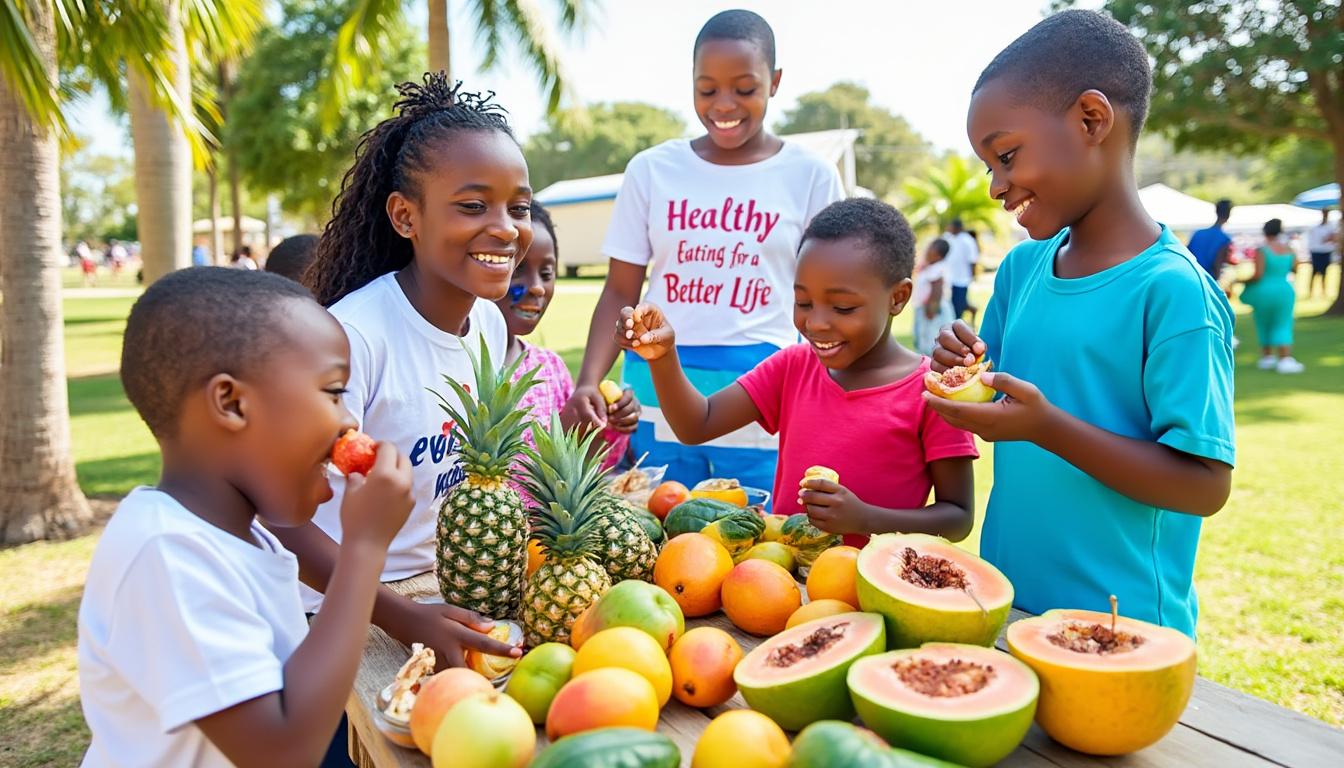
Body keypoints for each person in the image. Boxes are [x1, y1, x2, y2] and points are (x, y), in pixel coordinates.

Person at [929, 9, 1235, 638]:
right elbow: (999, 413)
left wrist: (1047, 427)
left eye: (1007, 156)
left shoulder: (1173, 293)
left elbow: (1204, 486)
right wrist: (960, 373)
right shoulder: (1021, 270)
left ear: (1092, 121)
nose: (995, 186)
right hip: (1010, 604)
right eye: (990, 165)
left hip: (1121, 626)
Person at [78, 267, 414, 766]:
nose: (349, 420)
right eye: (333, 391)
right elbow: (283, 750)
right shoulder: (166, 554)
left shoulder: (248, 539)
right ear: (232, 403)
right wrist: (363, 551)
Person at [272, 75, 527, 673]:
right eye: (472, 206)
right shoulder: (352, 338)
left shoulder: (489, 325)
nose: (507, 227)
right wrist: (397, 613)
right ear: (405, 216)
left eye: (518, 207)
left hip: (439, 593)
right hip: (330, 614)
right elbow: (279, 513)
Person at [561, 10, 844, 497]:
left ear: (775, 82)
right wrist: (589, 379)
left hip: (760, 388)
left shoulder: (812, 175)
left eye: (745, 88)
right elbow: (620, 289)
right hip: (656, 383)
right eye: (707, 89)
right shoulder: (652, 170)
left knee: (756, 540)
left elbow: (833, 295)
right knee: (657, 534)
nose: (724, 104)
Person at [617, 198, 977, 548]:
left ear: (898, 298)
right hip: (787, 589)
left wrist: (866, 518)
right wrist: (663, 356)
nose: (816, 323)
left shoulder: (934, 390)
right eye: (803, 302)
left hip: (881, 591)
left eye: (842, 307)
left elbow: (958, 517)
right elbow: (697, 424)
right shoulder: (793, 367)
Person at [493, 202, 640, 468]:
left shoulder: (550, 369)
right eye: (517, 270)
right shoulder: (460, 370)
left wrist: (608, 422)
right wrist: (557, 434)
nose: (537, 288)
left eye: (547, 273)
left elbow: (586, 465)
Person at [1241, 218, 1304, 373]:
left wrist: (1241, 281)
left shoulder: (1262, 250)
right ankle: (1285, 358)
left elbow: (1258, 274)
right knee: (1283, 322)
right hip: (1284, 289)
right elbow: (1295, 268)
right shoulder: (1289, 249)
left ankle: (1267, 356)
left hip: (1264, 290)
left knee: (1263, 322)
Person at [943, 218, 979, 325]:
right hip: (949, 278)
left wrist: (973, 275)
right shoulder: (949, 238)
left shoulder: (967, 240)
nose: (949, 229)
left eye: (951, 227)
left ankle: (957, 328)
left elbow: (973, 259)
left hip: (962, 278)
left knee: (958, 306)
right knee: (952, 304)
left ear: (957, 228)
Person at [1305, 209, 1337, 299]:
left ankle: (1323, 291)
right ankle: (1310, 292)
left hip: (1325, 251)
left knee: (1324, 272)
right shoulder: (1316, 226)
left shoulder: (1331, 226)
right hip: (1316, 251)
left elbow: (1333, 238)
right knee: (1314, 272)